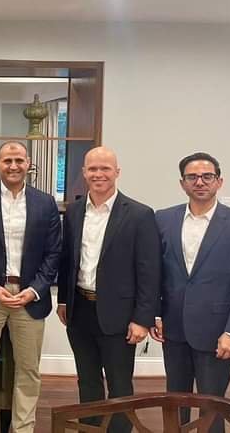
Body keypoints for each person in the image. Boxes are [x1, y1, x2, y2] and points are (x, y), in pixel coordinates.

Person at [57, 146, 161, 433]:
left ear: (117, 172)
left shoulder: (139, 214)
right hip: (80, 310)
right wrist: (64, 301)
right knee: (87, 380)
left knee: (119, 384)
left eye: (105, 168)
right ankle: (90, 429)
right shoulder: (74, 211)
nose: (98, 174)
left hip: (120, 315)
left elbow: (149, 271)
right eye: (92, 169)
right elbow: (68, 261)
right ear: (84, 173)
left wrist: (142, 319)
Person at [0, 141, 61, 433]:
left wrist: (34, 290)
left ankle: (23, 428)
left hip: (31, 297)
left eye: (19, 160)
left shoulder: (45, 203)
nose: (13, 166)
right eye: (7, 161)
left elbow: (54, 252)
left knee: (28, 370)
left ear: (28, 163)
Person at [151, 152, 230, 433]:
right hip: (173, 329)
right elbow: (154, 273)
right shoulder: (163, 219)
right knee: (175, 403)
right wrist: (156, 315)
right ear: (182, 183)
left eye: (207, 176)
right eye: (192, 177)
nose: (200, 182)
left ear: (219, 181)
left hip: (217, 333)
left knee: (212, 407)